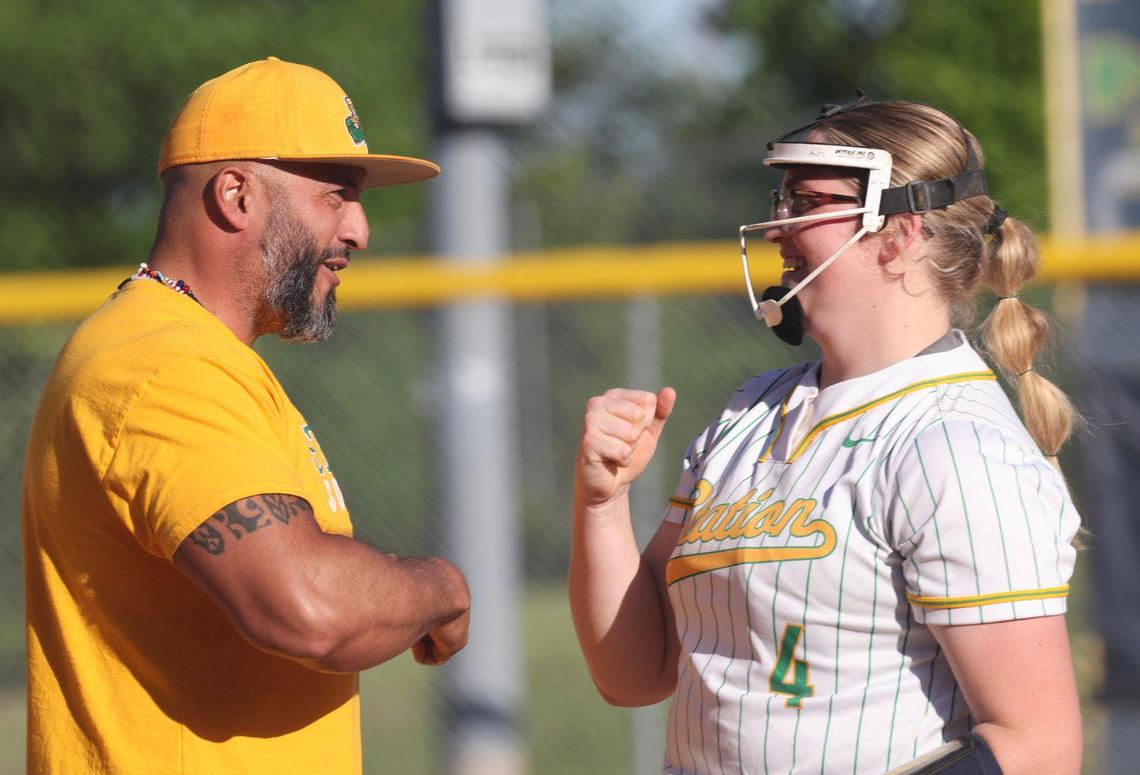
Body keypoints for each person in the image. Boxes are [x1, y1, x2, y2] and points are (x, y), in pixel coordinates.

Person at [569, 96, 1083, 774]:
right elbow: (635, 673)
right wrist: (601, 503)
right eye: (783, 200)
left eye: (805, 201)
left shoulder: (954, 445)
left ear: (898, 234)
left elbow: (1039, 750)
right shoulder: (750, 413)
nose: (780, 227)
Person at [21, 56, 470, 774]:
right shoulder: (163, 366)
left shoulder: (182, 350)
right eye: (336, 195)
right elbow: (305, 603)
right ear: (235, 194)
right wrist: (441, 588)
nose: (359, 230)